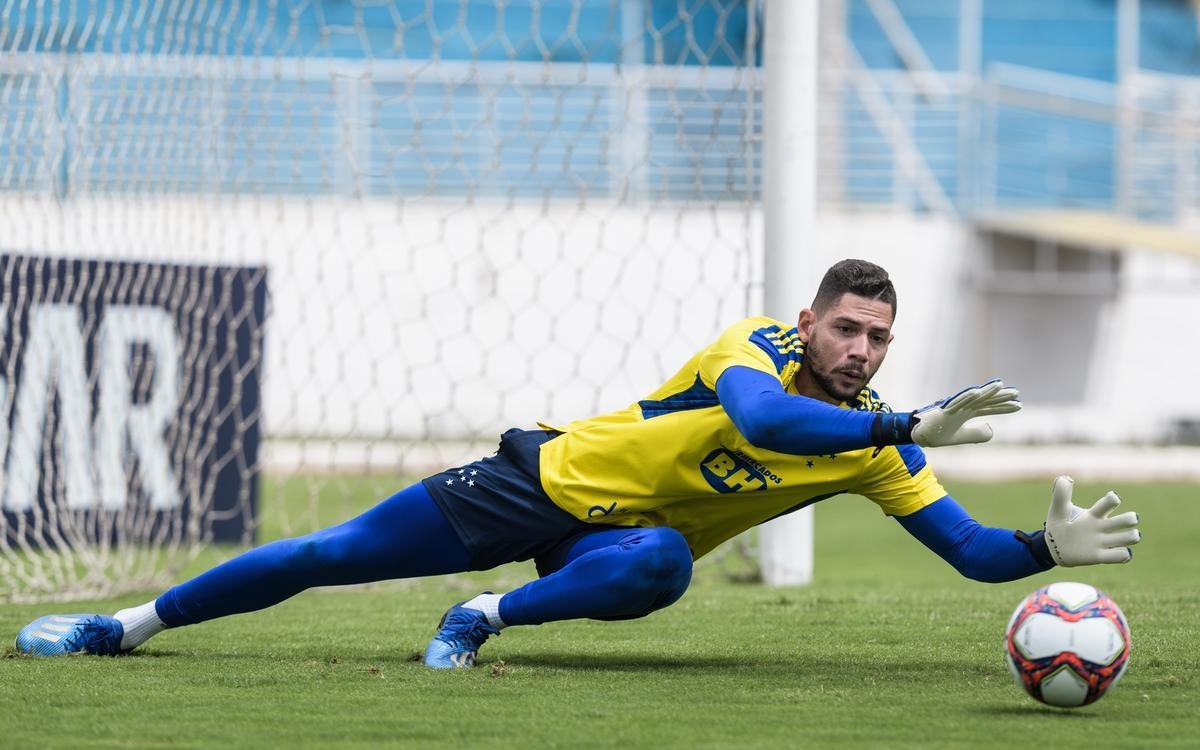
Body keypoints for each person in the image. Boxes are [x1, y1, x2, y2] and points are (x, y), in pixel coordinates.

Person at [15, 259, 1141, 667]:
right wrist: (899, 426)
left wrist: (1045, 549)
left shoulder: (878, 444)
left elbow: (974, 554)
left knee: (662, 566)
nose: (861, 350)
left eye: (879, 337)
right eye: (847, 328)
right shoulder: (754, 351)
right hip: (542, 479)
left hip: (611, 542)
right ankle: (123, 627)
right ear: (809, 320)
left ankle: (489, 618)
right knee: (329, 553)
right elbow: (764, 426)